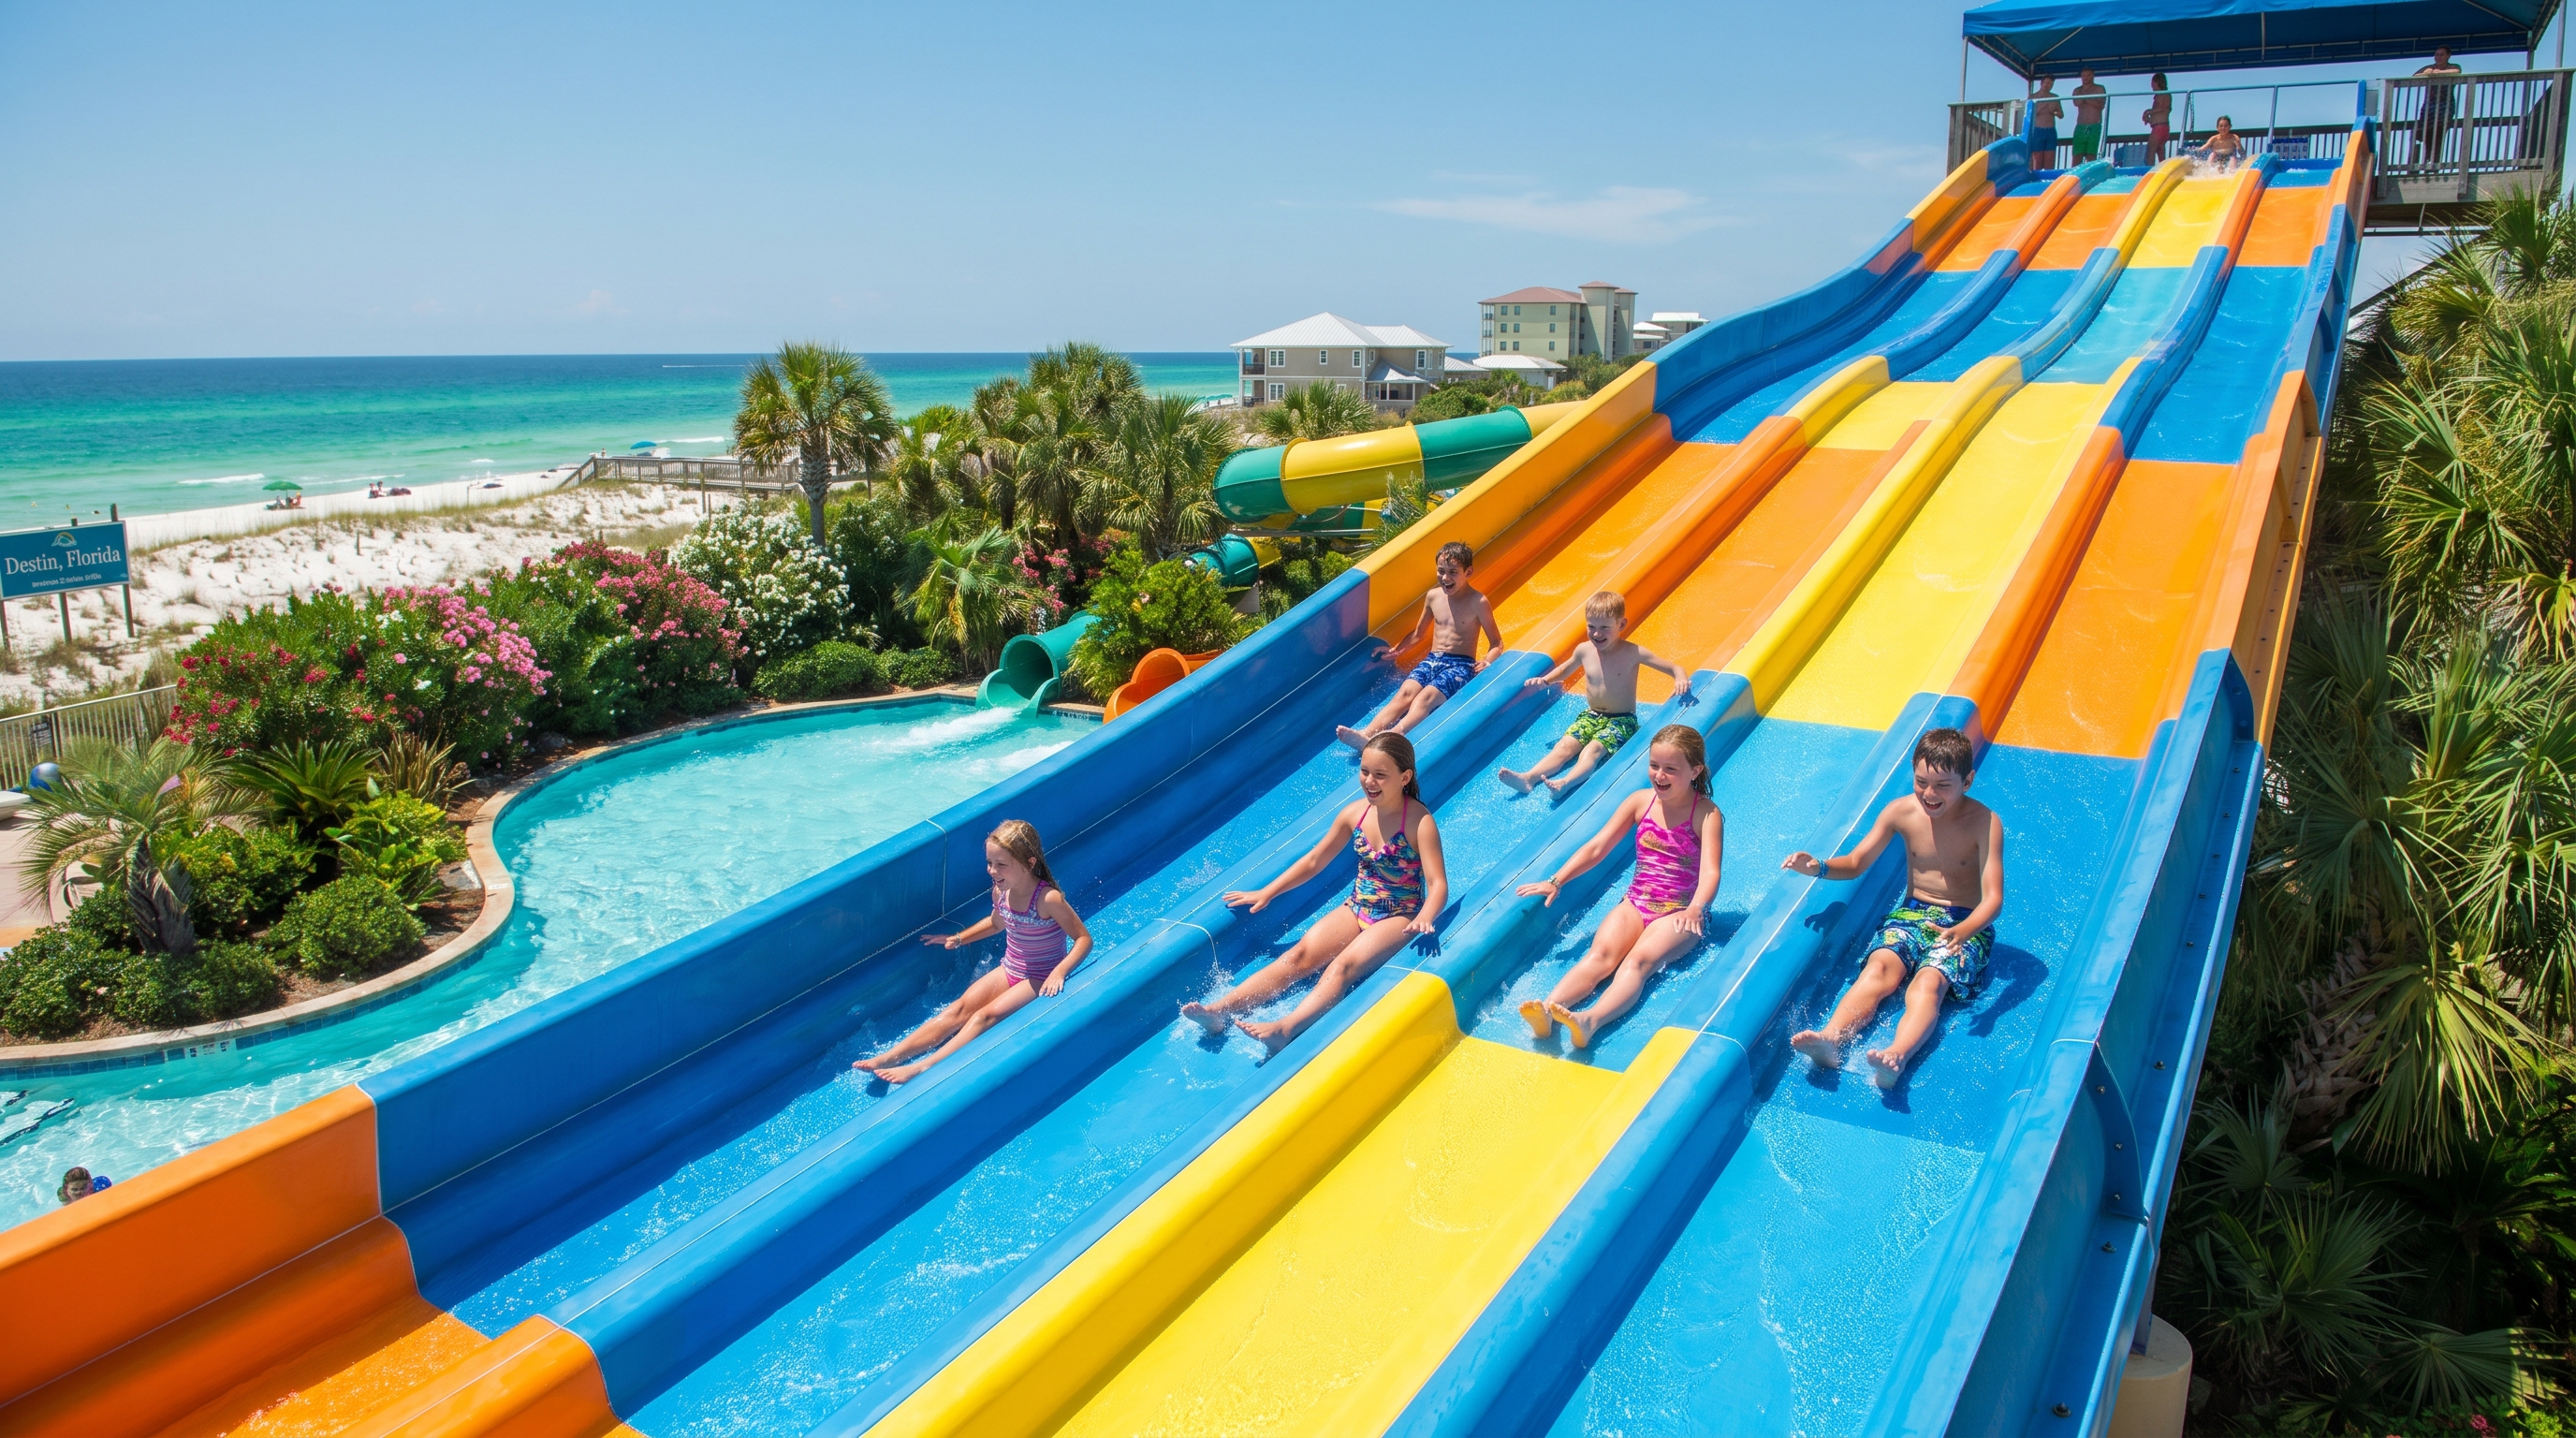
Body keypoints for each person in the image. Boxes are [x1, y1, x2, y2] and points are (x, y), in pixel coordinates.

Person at [1183, 731, 1446, 1053]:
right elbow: (1314, 860)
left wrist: (1425, 917)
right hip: (1357, 907)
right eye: (1364, 771)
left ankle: (1285, 1029)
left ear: (1404, 777)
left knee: (1341, 968)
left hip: (1400, 915)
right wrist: (1268, 891)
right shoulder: (1355, 814)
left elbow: (1437, 885)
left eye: (1380, 775)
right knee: (1297, 956)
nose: (1370, 781)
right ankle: (1219, 1011)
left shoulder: (1419, 822)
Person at [1782, 728, 2004, 1089]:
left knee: (1927, 984)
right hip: (1911, 914)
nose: (1929, 794)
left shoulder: (1984, 822)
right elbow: (1856, 862)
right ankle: (1833, 1039)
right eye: (1921, 782)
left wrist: (1964, 931)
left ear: (1968, 780)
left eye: (1943, 785)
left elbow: (1993, 898)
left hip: (1964, 922)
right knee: (1879, 968)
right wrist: (1819, 867)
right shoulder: (1901, 811)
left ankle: (1896, 1056)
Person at [1515, 725, 1724, 1049]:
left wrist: (1697, 908)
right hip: (1636, 902)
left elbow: (1711, 872)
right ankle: (1547, 1009)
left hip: (1681, 913)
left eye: (1671, 769)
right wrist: (1556, 880)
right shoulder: (1641, 802)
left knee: (1637, 962)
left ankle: (1590, 1021)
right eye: (1654, 765)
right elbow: (1598, 847)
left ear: (1695, 770)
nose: (1659, 775)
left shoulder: (1707, 814)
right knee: (1600, 956)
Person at [855, 820, 1091, 1083]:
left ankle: (924, 1067)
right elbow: (996, 923)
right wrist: (958, 938)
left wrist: (1060, 972)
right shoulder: (1001, 892)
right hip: (1010, 968)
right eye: (990, 862)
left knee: (983, 1016)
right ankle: (891, 1056)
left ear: (1030, 862)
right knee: (958, 1009)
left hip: (1039, 976)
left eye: (1001, 864)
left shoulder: (1047, 899)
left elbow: (1083, 939)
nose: (992, 870)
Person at [1498, 591, 1696, 796]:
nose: (1597, 633)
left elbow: (1674, 667)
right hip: (1591, 715)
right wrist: (1546, 680)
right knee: (1564, 746)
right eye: (1591, 626)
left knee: (1592, 750)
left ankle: (1565, 783)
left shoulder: (1633, 652)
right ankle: (1528, 778)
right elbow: (1565, 669)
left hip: (1622, 720)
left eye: (1604, 628)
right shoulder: (1584, 650)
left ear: (1621, 625)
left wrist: (1680, 677)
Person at [1339, 541, 1502, 751]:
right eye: (1441, 571)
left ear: (1468, 572)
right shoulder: (1433, 596)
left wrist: (1488, 661)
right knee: (1405, 693)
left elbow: (1497, 642)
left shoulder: (1478, 602)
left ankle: (1390, 739)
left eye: (1453, 572)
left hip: (1461, 665)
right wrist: (1395, 650)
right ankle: (1367, 734)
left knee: (1425, 698)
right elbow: (1418, 634)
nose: (1445, 578)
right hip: (1433, 660)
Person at [2415, 46, 2464, 164]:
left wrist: (2436, 73)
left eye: (2442, 54)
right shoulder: (2429, 68)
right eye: (2437, 55)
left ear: (2448, 56)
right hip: (2429, 106)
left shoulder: (2453, 67)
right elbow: (2415, 76)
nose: (2438, 57)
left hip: (2445, 106)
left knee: (2439, 133)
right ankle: (2426, 159)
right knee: (2426, 132)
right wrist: (2427, 73)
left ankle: (2435, 161)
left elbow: (2456, 71)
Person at [2071, 67, 2107, 162]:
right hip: (2080, 125)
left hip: (2094, 125)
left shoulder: (2099, 88)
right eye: (2084, 76)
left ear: (2093, 76)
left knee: (2091, 154)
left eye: (2088, 75)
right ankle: (2074, 174)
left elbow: (2101, 105)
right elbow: (2076, 102)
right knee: (2077, 154)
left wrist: (2086, 99)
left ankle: (2091, 175)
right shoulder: (2077, 90)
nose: (2086, 78)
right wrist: (2090, 99)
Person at [2029, 75, 2064, 168]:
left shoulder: (2055, 97)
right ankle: (2036, 178)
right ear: (2042, 83)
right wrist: (2043, 105)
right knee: (2037, 158)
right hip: (2038, 130)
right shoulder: (2033, 97)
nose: (2048, 85)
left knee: (2050, 158)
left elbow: (2061, 115)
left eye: (2051, 84)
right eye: (2047, 83)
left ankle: (2049, 179)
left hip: (2050, 130)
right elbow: (2030, 114)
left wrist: (2055, 112)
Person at [2142, 74, 2173, 160]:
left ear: (2157, 82)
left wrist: (2149, 111)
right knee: (2160, 151)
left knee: (2150, 152)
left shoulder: (2164, 94)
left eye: (2153, 83)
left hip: (2159, 128)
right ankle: (2161, 171)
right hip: (2162, 127)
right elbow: (2160, 113)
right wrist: (2149, 119)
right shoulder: (2161, 96)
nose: (2151, 86)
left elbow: (2164, 108)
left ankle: (2149, 170)